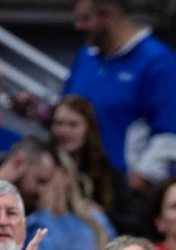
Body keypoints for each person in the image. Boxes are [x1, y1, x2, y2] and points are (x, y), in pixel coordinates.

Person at [62, 0, 176, 192]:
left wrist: (128, 191)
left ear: (108, 16)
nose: (78, 26)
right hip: (81, 189)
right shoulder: (85, 57)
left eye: (85, 19)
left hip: (129, 196)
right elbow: (70, 115)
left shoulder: (158, 62)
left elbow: (171, 140)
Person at [26, 148, 114, 250]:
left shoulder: (95, 221)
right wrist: (45, 214)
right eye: (39, 180)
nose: (42, 187)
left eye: (48, 178)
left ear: (67, 176)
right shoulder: (31, 224)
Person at [49, 94, 142, 236]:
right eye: (58, 123)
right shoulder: (43, 169)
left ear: (89, 129)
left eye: (73, 124)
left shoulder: (109, 175)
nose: (64, 131)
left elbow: (135, 225)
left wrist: (103, 215)